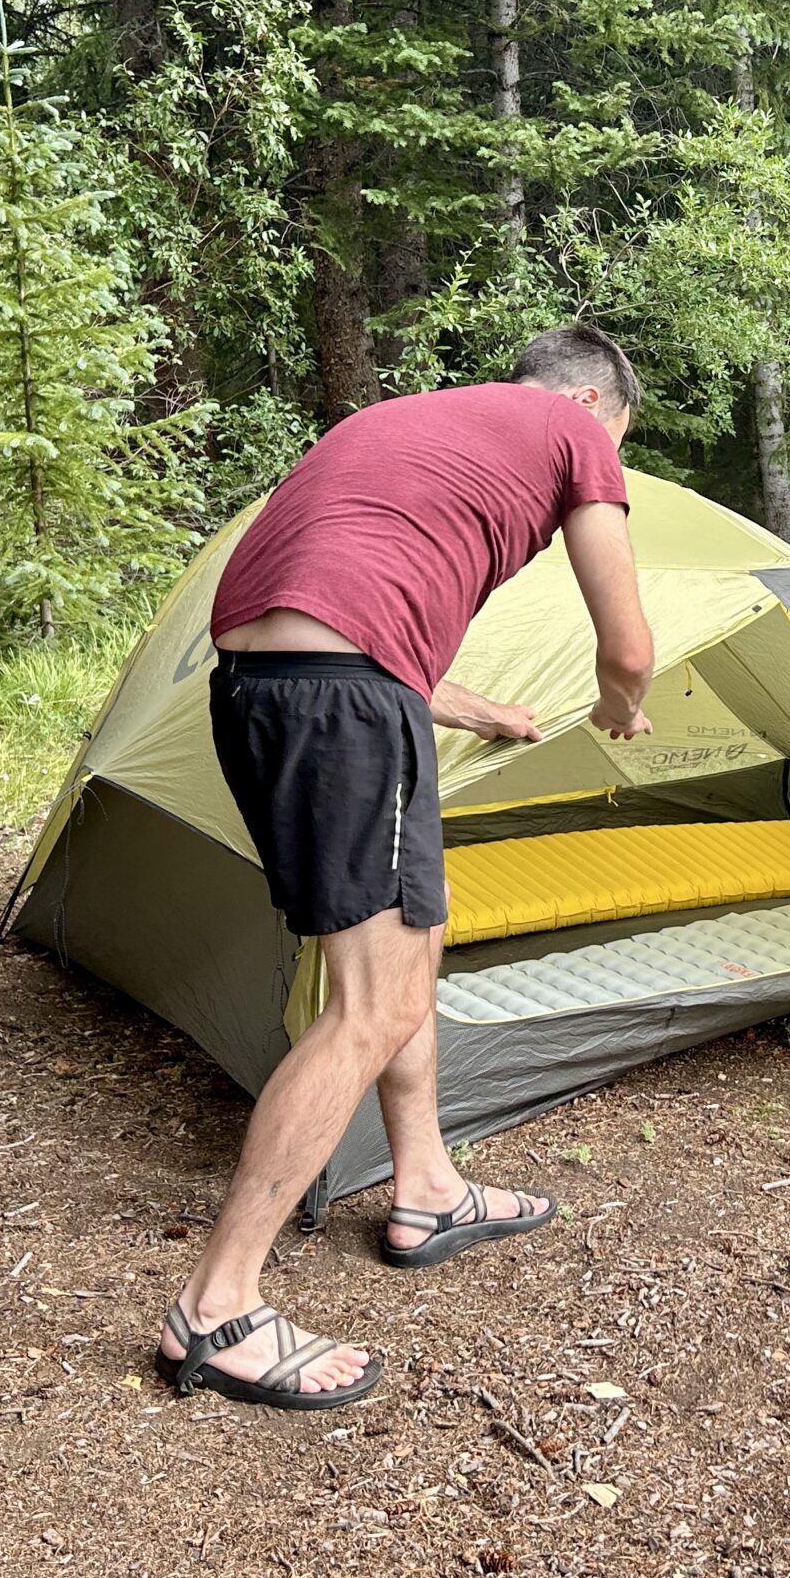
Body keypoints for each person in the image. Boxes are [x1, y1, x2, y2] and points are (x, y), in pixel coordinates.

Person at [155, 325, 657, 1409]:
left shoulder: (401, 422)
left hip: (271, 690)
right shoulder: (573, 435)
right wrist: (621, 710)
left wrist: (478, 707)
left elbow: (332, 614)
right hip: (343, 707)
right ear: (588, 401)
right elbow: (627, 647)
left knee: (408, 945)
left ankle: (426, 1185)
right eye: (619, 436)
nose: (612, 455)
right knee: (368, 1005)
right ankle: (217, 1304)